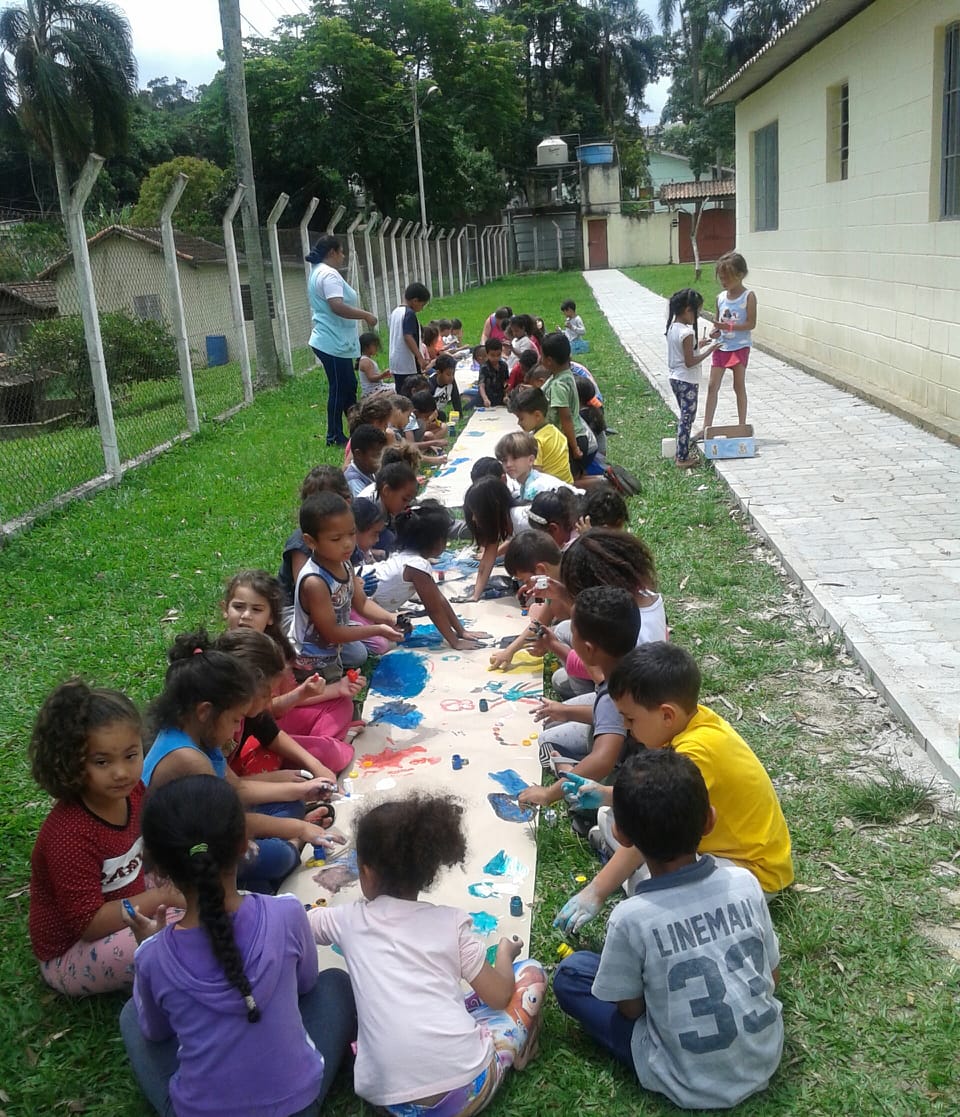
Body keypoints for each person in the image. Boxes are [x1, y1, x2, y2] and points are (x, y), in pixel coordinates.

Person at [553, 750, 783, 1110]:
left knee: (571, 974)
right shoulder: (745, 882)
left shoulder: (631, 917)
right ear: (710, 821)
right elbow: (772, 974)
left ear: (620, 834)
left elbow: (629, 1010)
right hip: (764, 1055)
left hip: (684, 1076)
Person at [120, 775, 357, 1117]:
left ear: (156, 868)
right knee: (335, 982)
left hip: (200, 1111)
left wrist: (150, 948)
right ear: (245, 843)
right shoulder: (287, 911)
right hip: (298, 1105)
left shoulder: (153, 957)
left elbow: (155, 1032)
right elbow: (307, 986)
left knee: (132, 1013)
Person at [308, 793, 545, 1112]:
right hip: (465, 1093)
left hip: (387, 1102)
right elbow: (499, 997)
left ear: (365, 872)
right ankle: (510, 1054)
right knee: (531, 973)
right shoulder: (451, 923)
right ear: (427, 871)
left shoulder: (346, 919)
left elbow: (299, 923)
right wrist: (504, 954)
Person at [554, 642, 794, 934]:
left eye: (630, 719)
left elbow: (651, 833)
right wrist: (603, 793)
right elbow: (655, 795)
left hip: (752, 873)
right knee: (608, 815)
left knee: (646, 881)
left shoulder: (695, 753)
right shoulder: (690, 720)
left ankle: (623, 866)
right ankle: (619, 855)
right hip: (711, 846)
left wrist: (596, 891)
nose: (627, 728)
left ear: (666, 715)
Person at [142, 630, 339, 895]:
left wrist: (302, 791)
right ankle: (292, 846)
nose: (237, 728)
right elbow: (233, 823)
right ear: (205, 712)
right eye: (236, 720)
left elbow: (236, 788)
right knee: (279, 856)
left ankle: (262, 874)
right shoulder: (188, 758)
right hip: (184, 857)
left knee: (289, 804)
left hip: (211, 828)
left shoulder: (200, 734)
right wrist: (299, 829)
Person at [27, 680, 181, 996]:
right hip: (73, 949)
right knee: (179, 938)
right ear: (71, 762)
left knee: (202, 895)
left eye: (131, 755)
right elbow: (90, 924)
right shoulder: (68, 836)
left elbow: (148, 847)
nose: (121, 772)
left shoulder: (134, 793)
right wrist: (162, 896)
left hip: (129, 898)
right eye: (102, 762)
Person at [221, 570, 360, 773]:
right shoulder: (224, 659)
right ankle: (329, 745)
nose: (246, 616)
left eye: (257, 609)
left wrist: (334, 690)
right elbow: (263, 714)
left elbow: (275, 708)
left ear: (271, 617)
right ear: (225, 609)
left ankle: (322, 746)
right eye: (239, 607)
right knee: (329, 755)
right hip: (248, 739)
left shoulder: (274, 648)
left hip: (267, 728)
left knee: (342, 703)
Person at [291, 493, 404, 680]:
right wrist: (378, 629)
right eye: (336, 539)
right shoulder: (315, 582)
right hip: (310, 662)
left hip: (331, 653)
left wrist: (390, 618)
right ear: (310, 541)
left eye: (351, 533)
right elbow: (332, 633)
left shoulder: (344, 563)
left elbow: (362, 603)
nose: (347, 544)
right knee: (335, 702)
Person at [215, 629, 342, 782]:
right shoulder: (212, 726)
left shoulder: (246, 710)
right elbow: (229, 788)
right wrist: (280, 781)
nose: (270, 701)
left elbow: (271, 733)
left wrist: (316, 766)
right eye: (264, 695)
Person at [371, 501, 490, 650]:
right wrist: (455, 642)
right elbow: (434, 609)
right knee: (383, 643)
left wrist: (462, 631)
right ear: (435, 542)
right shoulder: (417, 566)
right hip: (357, 607)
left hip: (372, 605)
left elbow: (439, 599)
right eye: (445, 539)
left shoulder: (410, 559)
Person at [306, 234, 377, 446]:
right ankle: (334, 436)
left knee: (349, 385)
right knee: (339, 389)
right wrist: (365, 315)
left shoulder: (318, 272)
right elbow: (336, 305)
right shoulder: (329, 275)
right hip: (332, 342)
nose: (343, 256)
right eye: (341, 251)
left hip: (337, 342)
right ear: (332, 253)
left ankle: (357, 429)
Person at [278, 466, 353, 615]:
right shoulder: (300, 543)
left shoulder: (346, 534)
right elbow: (306, 594)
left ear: (347, 502)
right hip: (295, 612)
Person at [698, 251, 756, 436]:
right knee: (712, 385)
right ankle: (706, 426)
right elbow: (717, 322)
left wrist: (728, 327)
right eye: (721, 279)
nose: (724, 283)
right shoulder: (720, 297)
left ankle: (741, 424)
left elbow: (751, 324)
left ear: (740, 275)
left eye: (727, 279)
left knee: (738, 386)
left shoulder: (748, 297)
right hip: (721, 346)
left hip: (740, 347)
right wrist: (716, 332)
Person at [489, 531, 563, 672]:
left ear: (541, 570)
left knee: (558, 630)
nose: (527, 586)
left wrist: (551, 645)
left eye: (526, 580)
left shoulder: (570, 583)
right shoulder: (555, 580)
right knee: (538, 611)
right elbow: (538, 623)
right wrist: (509, 651)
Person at [665, 288, 721, 469]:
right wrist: (709, 351)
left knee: (685, 416)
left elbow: (683, 351)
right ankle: (682, 457)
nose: (697, 316)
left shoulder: (673, 327)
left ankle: (682, 451)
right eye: (697, 312)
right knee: (687, 418)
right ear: (688, 310)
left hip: (675, 378)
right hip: (687, 380)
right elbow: (690, 361)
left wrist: (701, 344)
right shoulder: (687, 333)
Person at [463, 476, 530, 602]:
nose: (473, 519)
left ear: (492, 508)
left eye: (476, 512)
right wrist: (475, 596)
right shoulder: (503, 521)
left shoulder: (523, 521)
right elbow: (486, 562)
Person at [539, 332, 596, 478]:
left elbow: (566, 417)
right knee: (573, 479)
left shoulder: (559, 384)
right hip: (574, 437)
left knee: (566, 484)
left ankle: (607, 484)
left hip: (571, 440)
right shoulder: (565, 375)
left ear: (549, 360)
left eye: (542, 355)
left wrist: (575, 448)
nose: (540, 359)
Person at [514, 386, 574, 484]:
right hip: (567, 483)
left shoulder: (536, 440)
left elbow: (536, 475)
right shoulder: (555, 431)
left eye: (521, 418)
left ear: (537, 415)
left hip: (551, 489)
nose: (518, 423)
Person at [357, 460, 420, 553]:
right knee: (391, 541)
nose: (406, 505)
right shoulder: (370, 508)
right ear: (386, 490)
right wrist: (371, 552)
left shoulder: (387, 500)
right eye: (404, 499)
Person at [495, 431, 574, 502]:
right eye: (504, 460)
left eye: (515, 458)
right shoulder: (528, 482)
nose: (508, 464)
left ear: (531, 460)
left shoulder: (534, 488)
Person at [388, 282, 431, 396]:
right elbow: (408, 336)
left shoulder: (395, 312)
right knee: (413, 394)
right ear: (415, 301)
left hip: (396, 363)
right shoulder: (409, 314)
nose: (421, 309)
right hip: (408, 364)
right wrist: (419, 357)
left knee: (401, 393)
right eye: (422, 305)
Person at [344, 424, 388, 497]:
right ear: (358, 454)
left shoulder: (369, 471)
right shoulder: (353, 480)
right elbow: (364, 505)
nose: (380, 460)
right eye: (376, 456)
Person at [357, 331, 393, 396]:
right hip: (372, 391)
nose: (376, 347)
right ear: (366, 347)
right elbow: (371, 378)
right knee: (396, 389)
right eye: (374, 345)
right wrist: (382, 375)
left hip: (376, 387)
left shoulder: (367, 360)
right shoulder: (366, 361)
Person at [428, 353, 461, 417]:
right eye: (448, 374)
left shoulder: (451, 381)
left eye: (453, 374)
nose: (451, 377)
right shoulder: (430, 384)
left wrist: (459, 414)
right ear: (439, 372)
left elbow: (455, 398)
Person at [479, 338, 509, 407]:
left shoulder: (504, 366)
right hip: (487, 398)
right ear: (487, 354)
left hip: (500, 397)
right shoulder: (484, 367)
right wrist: (485, 399)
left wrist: (506, 395)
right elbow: (481, 385)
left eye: (498, 355)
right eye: (492, 355)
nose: (495, 358)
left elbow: (506, 383)